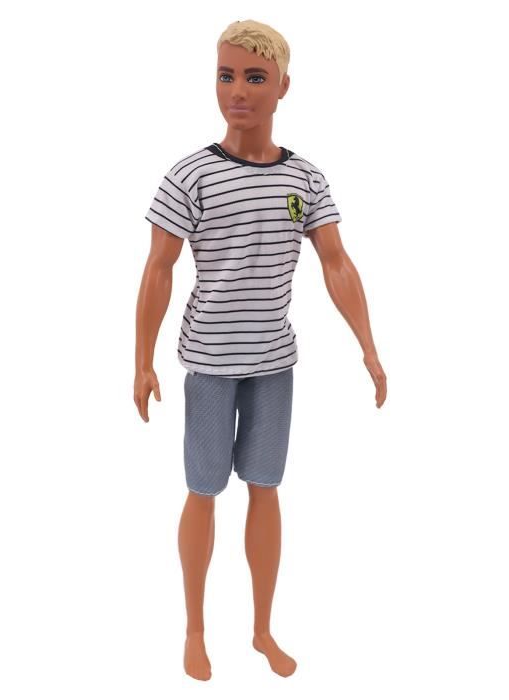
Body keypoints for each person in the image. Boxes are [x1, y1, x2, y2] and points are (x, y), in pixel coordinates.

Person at [133, 19, 387, 681]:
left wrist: (368, 345)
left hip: (274, 363)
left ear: (283, 87)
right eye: (226, 76)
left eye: (254, 77)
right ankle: (195, 629)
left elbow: (337, 262)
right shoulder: (190, 175)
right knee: (202, 489)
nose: (238, 91)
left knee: (266, 488)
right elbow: (158, 268)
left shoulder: (304, 179)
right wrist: (142, 359)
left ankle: (263, 629)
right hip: (210, 365)